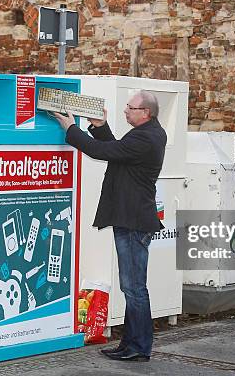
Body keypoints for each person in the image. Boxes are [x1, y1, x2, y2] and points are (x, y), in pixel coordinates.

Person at [53, 90, 166, 362]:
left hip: (133, 220)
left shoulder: (146, 137)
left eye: (130, 108)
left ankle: (139, 346)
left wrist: (71, 128)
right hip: (131, 218)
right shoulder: (148, 133)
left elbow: (101, 151)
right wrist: (99, 126)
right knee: (132, 287)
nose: (125, 111)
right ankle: (131, 344)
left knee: (134, 287)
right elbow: (117, 152)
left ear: (145, 113)